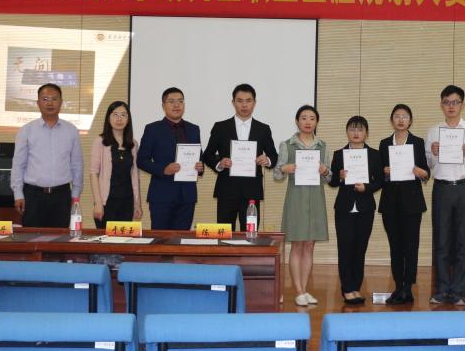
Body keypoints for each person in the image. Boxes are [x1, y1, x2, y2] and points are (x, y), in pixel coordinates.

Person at [426, 85, 465, 306]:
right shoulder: (433, 131)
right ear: (441, 105)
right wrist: (433, 154)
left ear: (462, 104)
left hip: (464, 188)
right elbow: (429, 164)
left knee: (464, 241)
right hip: (441, 188)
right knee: (441, 242)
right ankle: (442, 290)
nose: (451, 106)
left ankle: (459, 291)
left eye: (455, 102)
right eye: (447, 102)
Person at [273, 105, 331, 307]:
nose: (308, 122)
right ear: (297, 121)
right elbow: (277, 175)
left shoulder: (323, 146)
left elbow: (329, 178)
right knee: (297, 244)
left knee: (309, 245)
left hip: (316, 198)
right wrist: (284, 168)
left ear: (317, 122)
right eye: (304, 118)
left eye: (312, 118)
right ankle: (298, 291)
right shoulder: (287, 145)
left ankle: (305, 290)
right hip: (296, 198)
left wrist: (325, 171)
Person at [202, 84, 279, 231]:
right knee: (224, 234)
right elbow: (207, 155)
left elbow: (274, 156)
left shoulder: (263, 129)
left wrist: (267, 160)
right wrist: (219, 163)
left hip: (252, 191)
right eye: (240, 101)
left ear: (254, 103)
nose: (244, 105)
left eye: (248, 101)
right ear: (233, 102)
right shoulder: (220, 127)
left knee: (250, 235)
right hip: (226, 190)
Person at [377, 104, 430, 305]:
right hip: (390, 202)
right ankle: (399, 285)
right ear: (392, 120)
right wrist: (384, 172)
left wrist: (422, 173)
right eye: (397, 116)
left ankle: (408, 287)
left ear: (410, 120)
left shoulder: (417, 142)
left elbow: (426, 172)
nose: (401, 120)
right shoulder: (384, 144)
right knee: (395, 246)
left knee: (411, 246)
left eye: (405, 116)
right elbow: (378, 175)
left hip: (412, 202)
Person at [11, 83, 83, 228]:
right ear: (38, 103)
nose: (50, 103)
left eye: (54, 99)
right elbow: (18, 165)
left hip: (62, 195)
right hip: (33, 196)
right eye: (45, 99)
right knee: (31, 238)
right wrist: (18, 194)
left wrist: (75, 195)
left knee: (60, 238)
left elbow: (77, 165)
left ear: (61, 102)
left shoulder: (71, 131)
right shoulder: (26, 130)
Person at [329, 116, 383, 305]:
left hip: (365, 208)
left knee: (360, 249)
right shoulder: (339, 154)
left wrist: (366, 188)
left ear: (366, 133)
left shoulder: (374, 154)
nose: (356, 133)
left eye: (360, 129)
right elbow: (332, 182)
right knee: (345, 248)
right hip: (344, 208)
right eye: (352, 129)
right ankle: (347, 289)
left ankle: (356, 287)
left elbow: (380, 181)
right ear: (347, 132)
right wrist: (339, 176)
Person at [136, 87, 203, 230]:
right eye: (171, 101)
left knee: (182, 239)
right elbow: (141, 160)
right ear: (163, 105)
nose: (176, 105)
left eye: (180, 101)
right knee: (161, 239)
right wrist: (163, 169)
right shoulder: (152, 129)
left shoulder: (194, 129)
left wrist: (200, 167)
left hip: (187, 196)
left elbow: (199, 156)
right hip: (162, 195)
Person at [90, 100, 143, 228]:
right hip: (106, 203)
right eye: (115, 114)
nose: (119, 118)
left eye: (123, 115)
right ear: (108, 118)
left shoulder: (133, 144)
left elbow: (135, 175)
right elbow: (93, 173)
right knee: (105, 239)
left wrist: (137, 204)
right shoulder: (100, 141)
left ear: (128, 119)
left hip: (127, 202)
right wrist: (98, 203)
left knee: (123, 239)